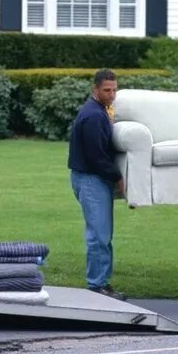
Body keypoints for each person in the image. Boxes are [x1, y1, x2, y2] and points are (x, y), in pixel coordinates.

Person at [67, 68, 126, 301]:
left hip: (92, 178)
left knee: (103, 234)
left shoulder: (99, 110)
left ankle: (102, 283)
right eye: (106, 90)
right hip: (90, 179)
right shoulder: (93, 116)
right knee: (98, 235)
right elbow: (97, 156)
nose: (111, 94)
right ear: (95, 89)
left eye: (114, 90)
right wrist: (118, 178)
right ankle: (96, 287)